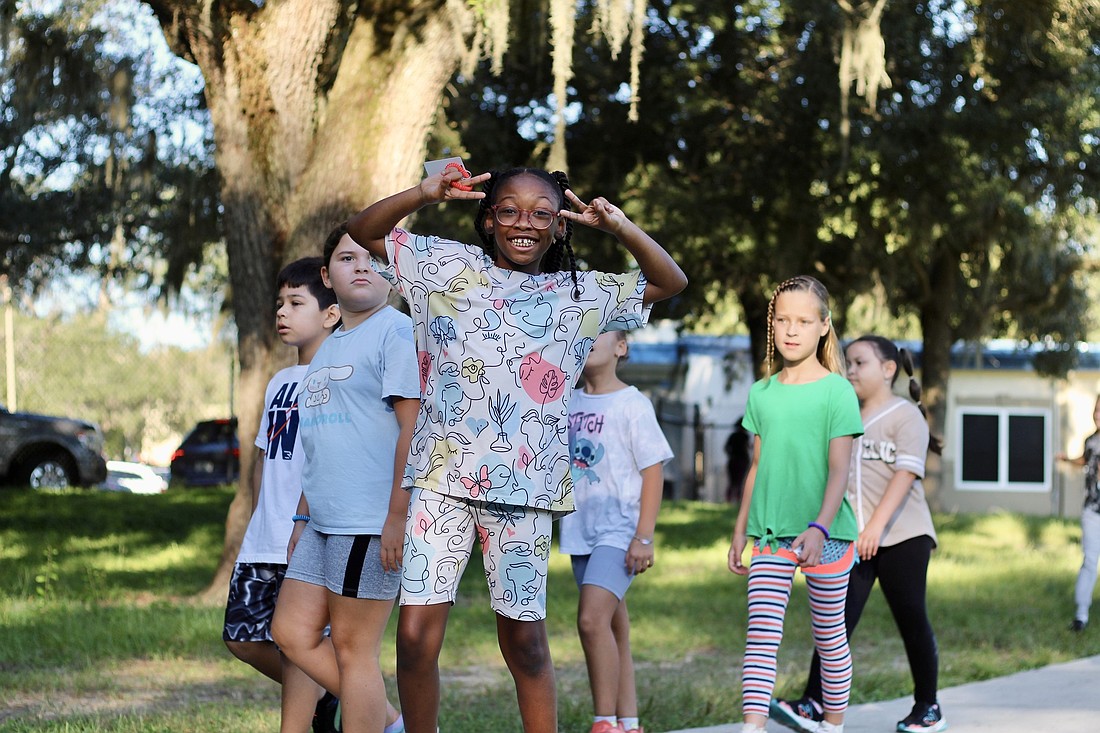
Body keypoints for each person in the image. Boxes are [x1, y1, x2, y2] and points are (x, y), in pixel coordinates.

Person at [346, 165, 687, 733]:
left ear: (557, 226)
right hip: (440, 480)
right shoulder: (446, 268)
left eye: (541, 213)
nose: (523, 223)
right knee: (414, 634)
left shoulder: (580, 295)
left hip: (524, 491)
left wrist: (621, 227)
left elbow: (670, 281)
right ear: (487, 218)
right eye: (508, 209)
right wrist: (424, 195)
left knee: (524, 642)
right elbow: (363, 232)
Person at [271, 226, 420, 733]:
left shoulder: (397, 333)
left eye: (372, 258)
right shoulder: (329, 345)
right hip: (321, 522)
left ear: (394, 272)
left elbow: (412, 431)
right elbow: (320, 441)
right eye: (346, 258)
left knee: (355, 653)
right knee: (290, 632)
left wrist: (397, 518)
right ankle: (395, 723)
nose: (360, 267)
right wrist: (302, 515)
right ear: (326, 274)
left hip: (369, 521)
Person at [771, 335, 947, 733]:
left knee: (911, 617)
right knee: (834, 622)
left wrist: (876, 528)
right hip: (853, 539)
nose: (850, 371)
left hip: (904, 536)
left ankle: (928, 707)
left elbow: (905, 476)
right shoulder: (845, 417)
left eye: (860, 363)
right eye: (848, 363)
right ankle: (813, 703)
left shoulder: (906, 416)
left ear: (888, 369)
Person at [727, 275, 863, 733]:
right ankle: (753, 727)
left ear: (823, 326)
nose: (791, 330)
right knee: (762, 638)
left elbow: (840, 471)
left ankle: (833, 725)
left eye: (804, 321)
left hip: (827, 535)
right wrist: (740, 528)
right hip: (770, 533)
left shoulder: (837, 392)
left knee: (829, 639)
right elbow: (757, 465)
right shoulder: (761, 393)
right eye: (783, 319)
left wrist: (820, 528)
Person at [220, 257, 343, 733]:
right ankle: (329, 692)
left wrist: (306, 523)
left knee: (297, 643)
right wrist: (257, 517)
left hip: (307, 538)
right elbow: (263, 462)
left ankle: (315, 715)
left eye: (296, 303)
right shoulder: (278, 382)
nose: (282, 313)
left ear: (330, 314)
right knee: (242, 639)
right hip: (263, 537)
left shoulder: (337, 379)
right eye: (279, 304)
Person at [559, 330, 674, 733]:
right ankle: (629, 722)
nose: (587, 334)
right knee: (612, 628)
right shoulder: (566, 399)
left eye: (600, 328)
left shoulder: (632, 404)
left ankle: (604, 722)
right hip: (580, 531)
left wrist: (644, 535)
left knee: (591, 621)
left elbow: (653, 470)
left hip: (620, 531)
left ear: (621, 347)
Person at [1057, 394, 1100, 633]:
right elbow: (1084, 460)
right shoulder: (1091, 441)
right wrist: (1067, 460)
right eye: (1096, 410)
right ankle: (1081, 615)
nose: (1097, 415)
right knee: (1090, 561)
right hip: (1093, 510)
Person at [724, 417, 752, 503]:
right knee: (738, 482)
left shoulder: (734, 436)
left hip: (736, 460)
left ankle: (732, 500)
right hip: (740, 461)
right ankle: (735, 500)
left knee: (734, 482)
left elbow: (726, 448)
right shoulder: (744, 436)